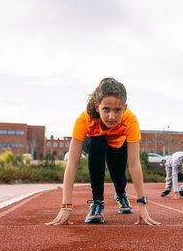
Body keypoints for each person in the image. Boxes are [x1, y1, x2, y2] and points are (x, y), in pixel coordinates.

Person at [45, 78, 160, 226]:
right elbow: (72, 163)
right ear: (97, 106)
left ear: (125, 108)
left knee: (118, 177)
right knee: (97, 141)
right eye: (106, 109)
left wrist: (141, 203)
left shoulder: (130, 121)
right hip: (94, 142)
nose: (111, 116)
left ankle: (120, 194)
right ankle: (97, 202)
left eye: (117, 110)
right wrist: (66, 206)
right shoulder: (84, 119)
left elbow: (134, 164)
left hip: (116, 144)